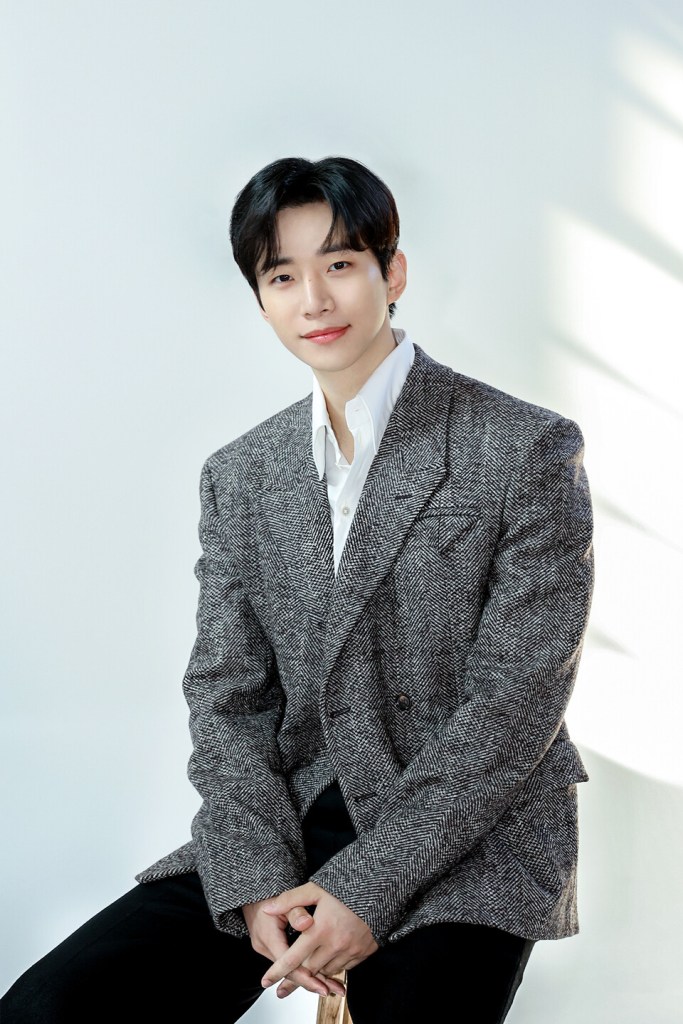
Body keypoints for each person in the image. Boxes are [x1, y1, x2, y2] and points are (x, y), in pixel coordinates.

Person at [1, 156, 594, 1023]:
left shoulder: (520, 447)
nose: (313, 299)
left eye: (340, 264)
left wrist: (367, 888)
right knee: (50, 1010)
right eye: (283, 275)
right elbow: (227, 695)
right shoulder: (241, 476)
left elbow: (516, 702)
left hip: (473, 829)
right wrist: (255, 881)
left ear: (392, 273)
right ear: (260, 296)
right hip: (299, 809)